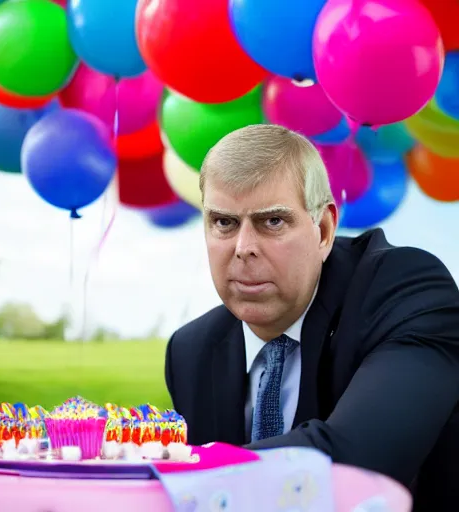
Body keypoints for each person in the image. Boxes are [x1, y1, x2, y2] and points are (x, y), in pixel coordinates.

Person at [164, 124, 459, 510]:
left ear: (322, 230)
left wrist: (167, 469)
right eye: (224, 222)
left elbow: (356, 462)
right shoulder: (191, 352)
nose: (243, 248)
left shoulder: (406, 291)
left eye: (272, 222)